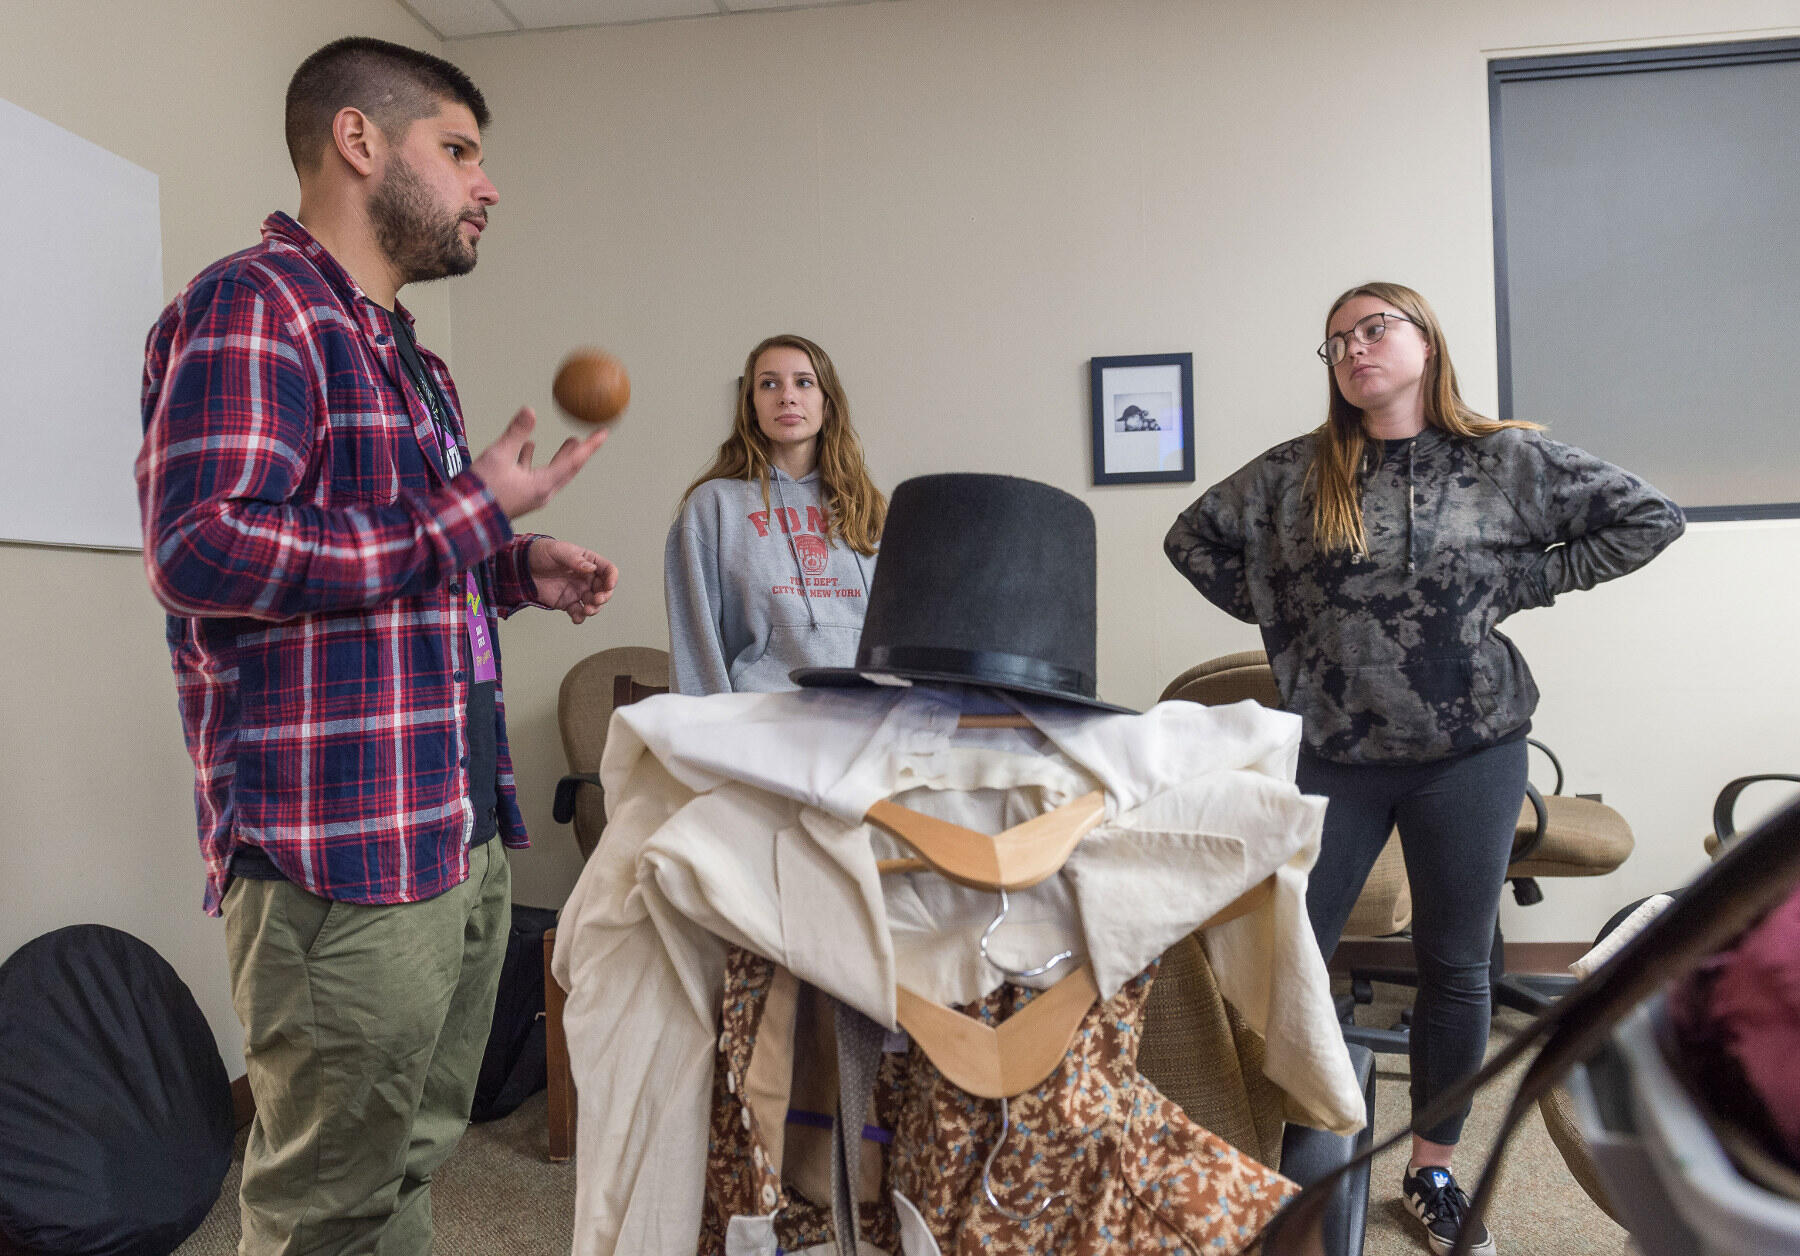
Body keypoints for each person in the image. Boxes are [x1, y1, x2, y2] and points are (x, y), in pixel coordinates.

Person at [136, 37, 617, 1255]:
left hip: (450, 826)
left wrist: (513, 564)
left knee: (410, 1161)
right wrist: (469, 516)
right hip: (333, 857)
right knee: (323, 1207)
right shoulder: (255, 304)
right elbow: (203, 549)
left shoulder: (415, 357)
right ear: (360, 143)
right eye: (458, 151)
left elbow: (399, 559)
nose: (486, 185)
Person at [1164, 281, 1684, 1256]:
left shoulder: (1505, 459)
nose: (1354, 348)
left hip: (1470, 751)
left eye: (1374, 327)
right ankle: (1299, 1141)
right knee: (1292, 964)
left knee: (1454, 966)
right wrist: (1293, 615)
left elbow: (1644, 518)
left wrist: (1522, 581)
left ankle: (1434, 1165)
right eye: (1336, 342)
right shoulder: (1294, 472)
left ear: (1425, 342)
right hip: (1336, 751)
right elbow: (1190, 539)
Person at [664, 333, 883, 695]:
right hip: (760, 718)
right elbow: (696, 643)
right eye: (769, 384)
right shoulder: (713, 506)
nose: (787, 396)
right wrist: (709, 733)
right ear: (751, 406)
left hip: (865, 714)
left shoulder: (865, 507)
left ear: (827, 404)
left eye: (804, 382)